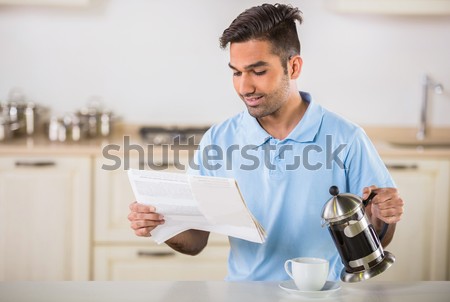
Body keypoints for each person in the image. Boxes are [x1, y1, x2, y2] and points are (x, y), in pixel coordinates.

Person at [128, 3, 404, 282]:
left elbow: (380, 236)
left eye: (258, 72)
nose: (244, 88)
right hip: (245, 298)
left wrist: (381, 217)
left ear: (293, 66)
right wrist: (162, 224)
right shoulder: (220, 140)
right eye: (236, 72)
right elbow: (196, 241)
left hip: (324, 296)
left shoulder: (347, 138)